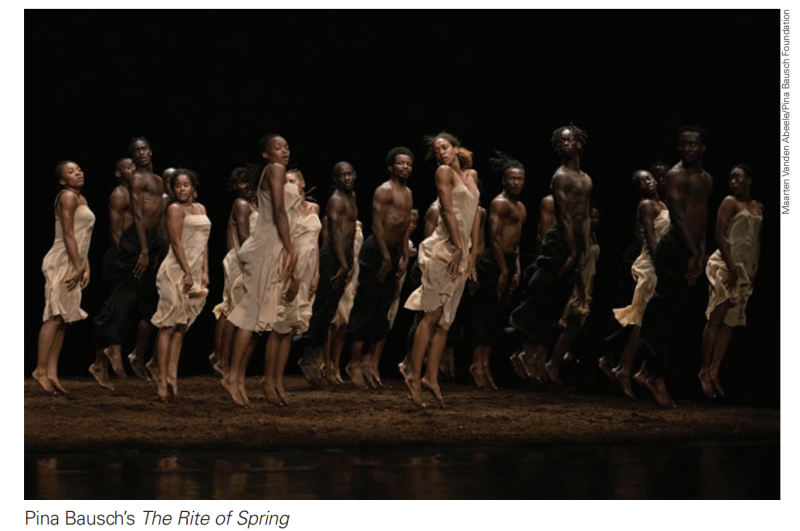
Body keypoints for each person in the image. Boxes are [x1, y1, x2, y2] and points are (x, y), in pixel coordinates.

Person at [508, 124, 592, 385]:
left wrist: (585, 249)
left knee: (557, 300)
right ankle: (523, 348)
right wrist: (572, 251)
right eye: (562, 141)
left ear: (579, 143)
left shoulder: (586, 179)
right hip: (560, 239)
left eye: (570, 139)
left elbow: (585, 216)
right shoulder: (560, 176)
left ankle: (531, 354)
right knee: (544, 291)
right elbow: (564, 216)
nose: (566, 143)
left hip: (576, 240)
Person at [403, 132, 481, 408]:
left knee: (446, 321)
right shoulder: (443, 172)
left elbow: (475, 214)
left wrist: (472, 252)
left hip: (461, 253)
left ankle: (431, 377)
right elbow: (447, 210)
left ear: (456, 147)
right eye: (436, 150)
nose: (441, 153)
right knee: (432, 316)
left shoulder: (471, 175)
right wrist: (458, 246)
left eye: (444, 147)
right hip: (444, 249)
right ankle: (413, 375)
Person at [223, 134, 301, 407]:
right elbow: (279, 212)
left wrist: (289, 251)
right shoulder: (275, 169)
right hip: (265, 247)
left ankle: (237, 378)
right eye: (278, 147)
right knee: (250, 317)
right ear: (266, 154)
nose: (284, 151)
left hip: (274, 248)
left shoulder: (280, 173)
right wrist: (291, 249)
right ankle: (231, 377)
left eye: (287, 146)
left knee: (259, 323)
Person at [639, 125, 713, 407]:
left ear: (702, 147)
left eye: (692, 144)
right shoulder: (674, 175)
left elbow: (702, 219)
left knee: (679, 317)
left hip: (692, 250)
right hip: (674, 248)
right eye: (682, 144)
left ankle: (649, 372)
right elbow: (679, 217)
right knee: (666, 315)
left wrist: (701, 254)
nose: (687, 148)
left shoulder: (706, 179)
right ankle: (654, 376)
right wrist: (693, 253)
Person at [346, 147, 414, 389]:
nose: (405, 167)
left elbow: (404, 227)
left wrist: (403, 257)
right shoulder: (384, 190)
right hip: (376, 251)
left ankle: (368, 362)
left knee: (382, 310)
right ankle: (354, 363)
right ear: (391, 167)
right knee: (365, 307)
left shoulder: (408, 193)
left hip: (393, 253)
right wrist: (385, 256)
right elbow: (376, 224)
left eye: (409, 164)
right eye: (401, 163)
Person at [600, 170, 669, 398]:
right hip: (651, 265)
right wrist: (660, 265)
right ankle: (625, 370)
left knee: (649, 321)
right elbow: (649, 237)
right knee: (641, 319)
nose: (647, 182)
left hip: (661, 263)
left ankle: (631, 369)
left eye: (648, 178)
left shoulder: (664, 205)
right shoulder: (646, 205)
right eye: (641, 181)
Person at [699, 164, 762, 398]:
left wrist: (753, 267)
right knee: (717, 317)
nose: (732, 181)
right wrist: (731, 265)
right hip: (725, 265)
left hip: (743, 270)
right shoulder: (729, 202)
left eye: (737, 177)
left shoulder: (758, 207)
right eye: (731, 178)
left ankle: (715, 370)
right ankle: (704, 370)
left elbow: (757, 241)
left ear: (749, 180)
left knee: (730, 321)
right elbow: (719, 235)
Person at [149, 169, 211, 401]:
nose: (182, 189)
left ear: (193, 187)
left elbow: (204, 243)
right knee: (169, 324)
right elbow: (175, 243)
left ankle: (172, 376)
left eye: (186, 185)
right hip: (175, 271)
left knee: (182, 326)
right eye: (178, 185)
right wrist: (186, 271)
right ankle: (161, 377)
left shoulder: (201, 208)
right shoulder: (175, 209)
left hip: (194, 271)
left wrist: (204, 271)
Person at [34, 161, 95, 394]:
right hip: (62, 260)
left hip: (75, 259)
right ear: (62, 180)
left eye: (79, 169)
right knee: (54, 316)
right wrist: (77, 267)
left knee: (63, 320)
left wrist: (85, 266)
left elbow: (83, 237)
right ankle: (40, 370)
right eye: (71, 171)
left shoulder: (82, 199)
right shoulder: (67, 197)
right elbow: (68, 235)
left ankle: (52, 373)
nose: (77, 173)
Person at [298, 162, 359, 384]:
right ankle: (309, 359)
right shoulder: (336, 200)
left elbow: (349, 234)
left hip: (343, 259)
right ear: (336, 179)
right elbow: (334, 233)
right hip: (333, 258)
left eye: (350, 174)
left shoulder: (351, 197)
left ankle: (315, 361)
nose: (347, 178)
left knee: (329, 311)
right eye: (342, 175)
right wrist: (343, 263)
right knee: (321, 311)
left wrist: (349, 263)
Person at [470, 151, 526, 390]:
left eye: (519, 178)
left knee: (497, 317)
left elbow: (516, 241)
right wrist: (503, 270)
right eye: (512, 178)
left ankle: (485, 364)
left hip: (508, 262)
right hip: (494, 263)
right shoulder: (499, 203)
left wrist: (516, 269)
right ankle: (476, 364)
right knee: (484, 314)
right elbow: (494, 238)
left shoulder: (521, 207)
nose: (516, 182)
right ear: (504, 181)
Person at [267, 168, 321, 405]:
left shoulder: (314, 208)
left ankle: (278, 381)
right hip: (288, 271)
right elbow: (282, 246)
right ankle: (269, 380)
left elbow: (314, 244)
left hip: (308, 273)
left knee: (290, 328)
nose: (288, 186)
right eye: (284, 182)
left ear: (302, 184)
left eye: (291, 181)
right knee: (279, 327)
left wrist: (316, 273)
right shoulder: (284, 211)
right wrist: (294, 275)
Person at [89, 157, 135, 389]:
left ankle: (101, 362)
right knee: (114, 308)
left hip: (134, 255)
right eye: (128, 166)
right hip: (120, 256)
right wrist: (123, 258)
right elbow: (115, 231)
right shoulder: (119, 194)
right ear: (118, 173)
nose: (133, 169)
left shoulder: (139, 193)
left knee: (119, 308)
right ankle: (108, 353)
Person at [210, 167, 258, 378]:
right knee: (234, 311)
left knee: (234, 309)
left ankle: (221, 358)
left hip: (248, 260)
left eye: (248, 181)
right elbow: (244, 237)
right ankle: (222, 360)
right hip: (243, 260)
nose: (246, 186)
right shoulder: (241, 204)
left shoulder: (255, 205)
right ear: (233, 186)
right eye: (241, 182)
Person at [546, 206, 601, 383]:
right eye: (591, 217)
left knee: (576, 328)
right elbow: (577, 267)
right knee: (571, 326)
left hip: (587, 283)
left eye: (597, 217)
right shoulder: (581, 238)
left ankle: (561, 360)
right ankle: (552, 363)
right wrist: (581, 291)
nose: (595, 221)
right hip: (578, 286)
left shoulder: (593, 236)